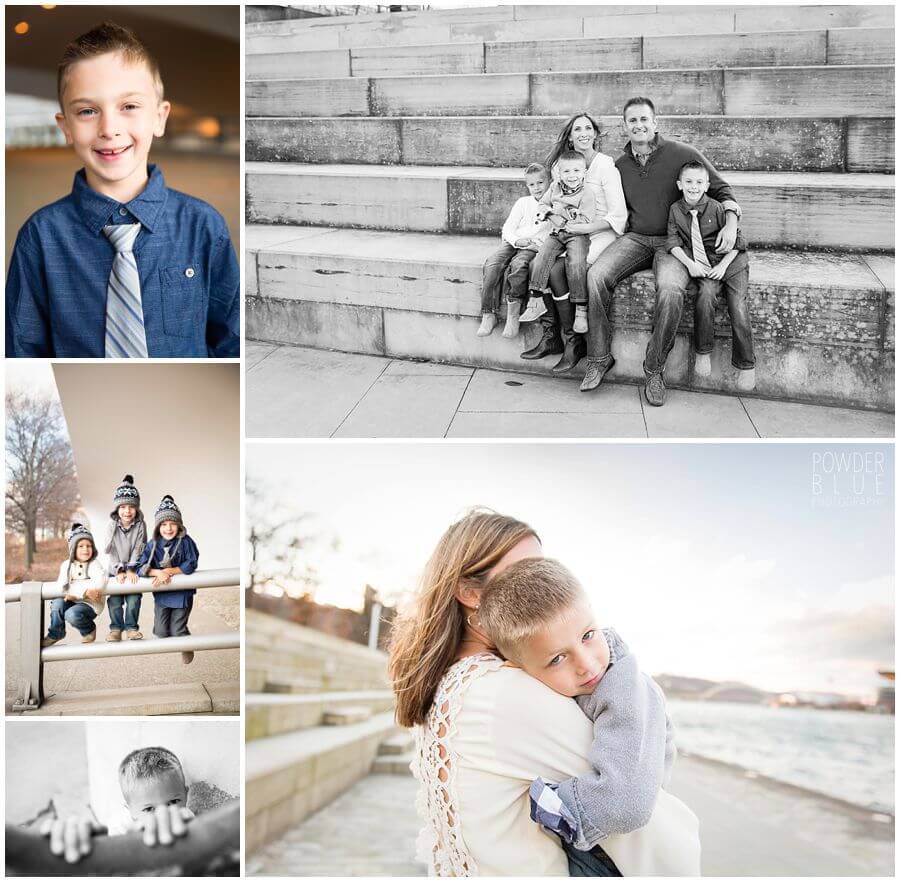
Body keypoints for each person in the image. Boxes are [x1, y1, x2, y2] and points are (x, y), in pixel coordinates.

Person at [389, 510, 697, 877]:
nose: (541, 585)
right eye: (523, 572)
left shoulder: (450, 684)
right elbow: (635, 807)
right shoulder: (505, 692)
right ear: (471, 594)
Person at [5, 21, 240, 358]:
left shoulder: (204, 226)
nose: (109, 129)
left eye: (128, 106)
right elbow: (22, 356)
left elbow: (230, 344)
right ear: (66, 127)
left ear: (159, 118)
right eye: (88, 111)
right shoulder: (40, 238)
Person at [479, 558, 700, 876]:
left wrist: (551, 804)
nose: (586, 664)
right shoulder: (545, 682)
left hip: (616, 858)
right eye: (557, 658)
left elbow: (626, 804)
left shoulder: (625, 688)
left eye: (588, 635)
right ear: (519, 670)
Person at [581, 97, 742, 404]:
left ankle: (654, 370)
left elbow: (722, 189)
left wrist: (731, 223)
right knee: (597, 275)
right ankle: (599, 358)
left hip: (674, 243)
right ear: (625, 126)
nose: (639, 125)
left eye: (644, 119)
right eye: (632, 120)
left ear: (655, 123)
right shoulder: (619, 166)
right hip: (637, 238)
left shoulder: (682, 153)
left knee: (670, 290)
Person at [521, 113, 627, 375]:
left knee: (563, 269)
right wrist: (558, 220)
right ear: (570, 136)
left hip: (598, 231)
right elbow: (549, 201)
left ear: (595, 134)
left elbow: (618, 216)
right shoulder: (562, 165)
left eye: (588, 128)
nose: (583, 133)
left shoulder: (605, 165)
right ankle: (560, 338)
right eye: (577, 129)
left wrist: (582, 227)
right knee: (542, 265)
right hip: (567, 230)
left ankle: (575, 342)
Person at [38, 745, 235, 864]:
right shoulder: (120, 825)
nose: (163, 814)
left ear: (186, 794)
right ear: (129, 809)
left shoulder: (187, 818)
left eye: (174, 802)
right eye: (149, 809)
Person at [667, 160, 756, 390]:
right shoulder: (676, 210)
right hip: (705, 264)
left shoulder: (717, 208)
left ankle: (746, 364)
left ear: (707, 185)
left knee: (737, 306)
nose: (693, 187)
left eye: (699, 182)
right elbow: (672, 241)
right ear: (679, 185)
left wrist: (723, 267)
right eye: (688, 182)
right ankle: (703, 352)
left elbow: (739, 243)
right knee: (705, 295)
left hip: (732, 263)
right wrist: (689, 265)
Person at [477, 163, 551, 339]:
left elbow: (552, 236)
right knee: (493, 264)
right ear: (527, 186)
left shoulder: (554, 206)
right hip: (513, 242)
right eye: (532, 185)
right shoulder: (523, 203)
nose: (536, 188)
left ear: (549, 181)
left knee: (519, 265)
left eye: (540, 183)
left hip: (533, 246)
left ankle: (513, 315)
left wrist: (536, 247)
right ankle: (488, 314)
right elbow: (508, 228)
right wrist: (517, 240)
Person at [528, 151, 596, 334]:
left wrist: (562, 217)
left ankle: (581, 308)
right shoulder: (555, 188)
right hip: (557, 232)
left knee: (576, 262)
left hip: (576, 235)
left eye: (576, 171)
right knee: (542, 256)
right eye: (566, 171)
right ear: (559, 173)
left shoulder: (587, 193)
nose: (572, 175)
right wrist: (551, 214)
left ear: (584, 172)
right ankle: (535, 298)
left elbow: (585, 220)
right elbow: (542, 205)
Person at [135, 495, 200, 664]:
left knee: (178, 629)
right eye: (164, 524)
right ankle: (171, 638)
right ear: (158, 527)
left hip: (182, 595)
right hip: (162, 594)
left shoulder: (185, 542)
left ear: (179, 525)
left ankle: (186, 645)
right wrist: (157, 572)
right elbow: (140, 566)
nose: (168, 528)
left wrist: (171, 571)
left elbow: (192, 562)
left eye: (172, 523)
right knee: (161, 631)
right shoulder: (152, 545)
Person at [42, 523, 109, 647]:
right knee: (57, 603)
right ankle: (56, 633)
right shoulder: (66, 565)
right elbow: (62, 586)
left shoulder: (94, 564)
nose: (85, 549)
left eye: (89, 546)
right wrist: (83, 592)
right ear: (73, 549)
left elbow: (100, 582)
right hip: (71, 600)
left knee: (71, 614)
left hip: (90, 603)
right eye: (81, 546)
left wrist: (75, 592)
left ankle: (88, 630)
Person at [104, 474, 147, 641]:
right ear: (117, 509)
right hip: (115, 568)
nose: (127, 511)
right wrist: (119, 570)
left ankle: (131, 628)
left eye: (131, 507)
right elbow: (111, 550)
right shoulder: (111, 525)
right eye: (122, 507)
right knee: (115, 601)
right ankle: (115, 628)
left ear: (136, 508)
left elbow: (139, 547)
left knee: (134, 599)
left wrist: (130, 569)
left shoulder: (140, 525)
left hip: (133, 569)